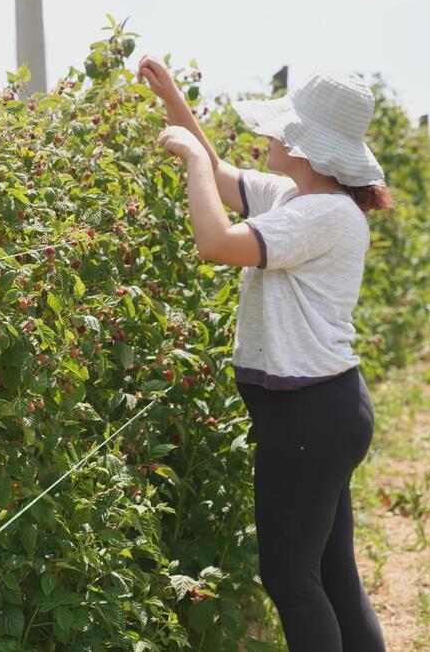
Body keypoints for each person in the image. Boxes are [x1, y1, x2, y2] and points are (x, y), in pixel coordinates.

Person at [139, 56, 388, 651]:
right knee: (330, 572)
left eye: (282, 129)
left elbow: (216, 241)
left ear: (305, 147)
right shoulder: (297, 196)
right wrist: (174, 99)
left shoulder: (319, 214)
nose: (269, 135)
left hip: (308, 417)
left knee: (290, 579)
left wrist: (193, 160)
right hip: (325, 410)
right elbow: (224, 178)